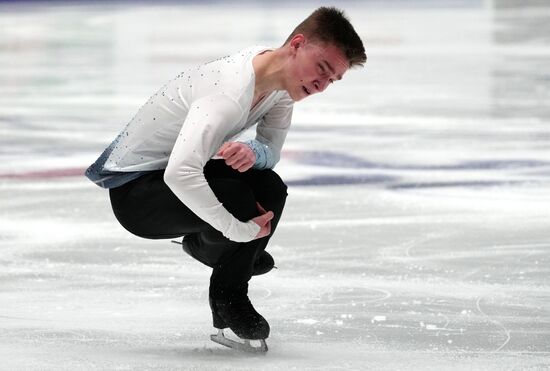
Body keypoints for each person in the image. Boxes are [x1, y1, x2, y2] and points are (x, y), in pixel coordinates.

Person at [85, 6, 366, 352]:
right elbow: (180, 173)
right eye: (322, 69)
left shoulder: (280, 86)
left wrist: (254, 154)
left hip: (173, 176)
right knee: (236, 201)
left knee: (269, 187)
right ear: (296, 44)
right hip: (136, 196)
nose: (321, 86)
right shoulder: (228, 93)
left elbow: (270, 151)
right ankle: (227, 291)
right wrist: (237, 232)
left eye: (332, 79)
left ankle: (218, 251)